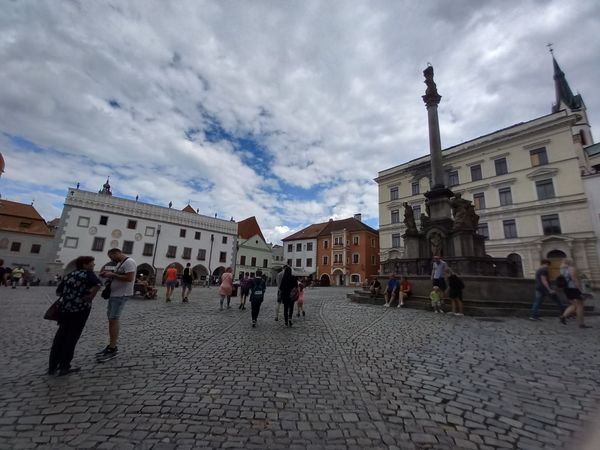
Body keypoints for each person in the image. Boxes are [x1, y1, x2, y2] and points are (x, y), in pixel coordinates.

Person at [49, 256, 102, 375]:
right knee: (72, 337)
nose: (93, 265)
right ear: (84, 265)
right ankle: (64, 366)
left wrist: (70, 295)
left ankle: (52, 366)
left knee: (60, 336)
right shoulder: (88, 274)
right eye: (91, 263)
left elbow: (59, 291)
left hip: (65, 309)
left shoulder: (70, 274)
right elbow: (98, 284)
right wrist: (90, 296)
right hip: (80, 309)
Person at [97, 248, 137, 362]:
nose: (111, 259)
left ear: (117, 253)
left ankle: (113, 348)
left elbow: (129, 278)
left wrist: (112, 275)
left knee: (114, 319)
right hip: (114, 295)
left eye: (112, 257)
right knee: (111, 319)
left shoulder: (129, 262)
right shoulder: (120, 263)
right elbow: (118, 276)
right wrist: (108, 275)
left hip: (121, 295)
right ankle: (111, 346)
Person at [558, 259, 590, 328]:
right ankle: (581, 324)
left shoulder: (562, 269)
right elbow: (574, 279)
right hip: (574, 289)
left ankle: (563, 316)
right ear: (571, 262)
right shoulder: (571, 268)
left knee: (574, 305)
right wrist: (580, 290)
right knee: (580, 306)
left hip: (566, 289)